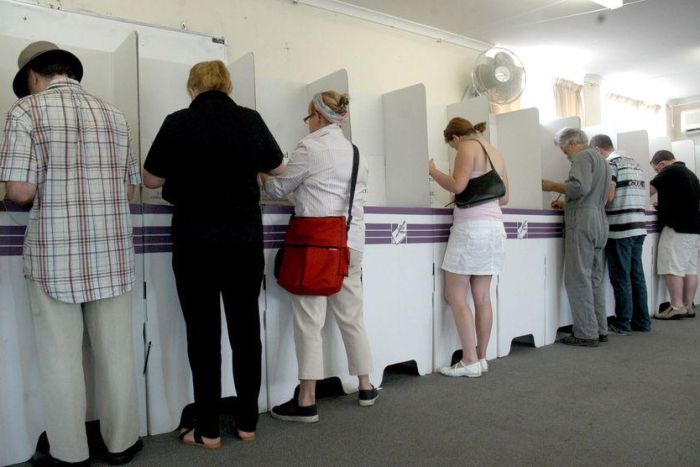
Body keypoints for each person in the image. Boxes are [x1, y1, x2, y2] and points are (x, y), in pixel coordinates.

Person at [0, 41, 142, 465]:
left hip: (54, 256)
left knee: (61, 359)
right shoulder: (114, 114)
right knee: (116, 355)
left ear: (33, 77)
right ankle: (121, 444)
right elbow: (130, 189)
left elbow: (19, 191)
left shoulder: (25, 112)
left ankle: (70, 453)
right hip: (113, 255)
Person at [143, 60, 285, 447]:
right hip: (243, 240)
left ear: (192, 88)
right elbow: (278, 165)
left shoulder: (177, 122)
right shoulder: (250, 119)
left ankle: (207, 429)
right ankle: (246, 422)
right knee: (245, 331)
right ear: (227, 85)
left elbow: (151, 178)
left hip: (194, 241)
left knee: (202, 334)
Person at [262, 91, 378, 423]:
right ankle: (367, 385)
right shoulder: (357, 154)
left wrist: (262, 172)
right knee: (351, 316)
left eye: (307, 117)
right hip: (351, 245)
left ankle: (307, 400)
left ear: (317, 115)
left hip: (317, 247)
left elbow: (277, 190)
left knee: (310, 322)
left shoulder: (310, 148)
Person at [428, 118, 509, 377]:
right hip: (495, 228)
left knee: (454, 295)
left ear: (454, 138)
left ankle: (468, 360)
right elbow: (505, 197)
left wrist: (432, 170)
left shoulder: (467, 146)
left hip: (471, 230)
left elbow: (457, 185)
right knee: (483, 296)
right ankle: (482, 357)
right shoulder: (494, 151)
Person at [542, 128, 611, 347]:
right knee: (595, 278)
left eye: (565, 151)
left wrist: (552, 186)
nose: (566, 155)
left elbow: (579, 187)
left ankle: (585, 332)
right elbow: (595, 194)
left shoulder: (582, 157)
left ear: (573, 143)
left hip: (582, 222)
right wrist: (565, 204)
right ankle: (600, 328)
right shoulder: (602, 160)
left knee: (577, 277)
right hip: (599, 219)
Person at [590, 134, 651, 333]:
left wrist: (594, 203)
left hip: (620, 227)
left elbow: (610, 196)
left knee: (620, 277)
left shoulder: (610, 165)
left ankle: (623, 322)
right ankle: (642, 321)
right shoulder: (634, 164)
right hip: (638, 226)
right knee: (637, 276)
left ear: (598, 150)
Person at [649, 150, 700, 319]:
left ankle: (676, 306)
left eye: (656, 170)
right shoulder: (691, 175)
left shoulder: (670, 171)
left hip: (676, 227)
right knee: (690, 268)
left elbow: (648, 191)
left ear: (661, 164)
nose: (657, 173)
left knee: (673, 267)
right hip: (694, 228)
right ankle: (688, 305)